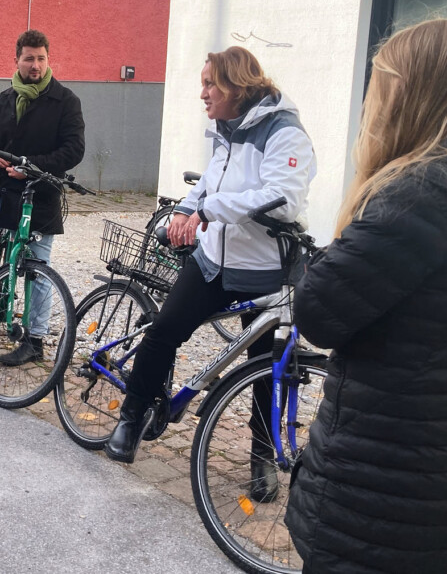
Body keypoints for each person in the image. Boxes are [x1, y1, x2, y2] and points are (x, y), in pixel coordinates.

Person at [285, 19, 447, 574]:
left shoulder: (422, 194)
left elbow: (318, 311)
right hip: (437, 470)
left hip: (376, 483)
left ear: (409, 94)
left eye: (382, 84)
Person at [104, 47, 315, 491]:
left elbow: (285, 197)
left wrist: (209, 211)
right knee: (164, 331)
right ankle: (132, 414)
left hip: (262, 268)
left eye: (209, 84)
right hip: (213, 261)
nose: (202, 93)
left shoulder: (283, 132)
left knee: (263, 366)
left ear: (237, 86)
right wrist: (186, 210)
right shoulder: (227, 127)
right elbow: (209, 182)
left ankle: (262, 455)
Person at [0, 29, 85, 365]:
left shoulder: (66, 100)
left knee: (37, 270)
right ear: (17, 60)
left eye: (41, 58)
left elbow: (74, 149)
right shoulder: (4, 98)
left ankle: (34, 341)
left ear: (48, 60)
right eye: (29, 58)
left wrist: (32, 166)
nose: (35, 65)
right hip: (1, 188)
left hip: (39, 193)